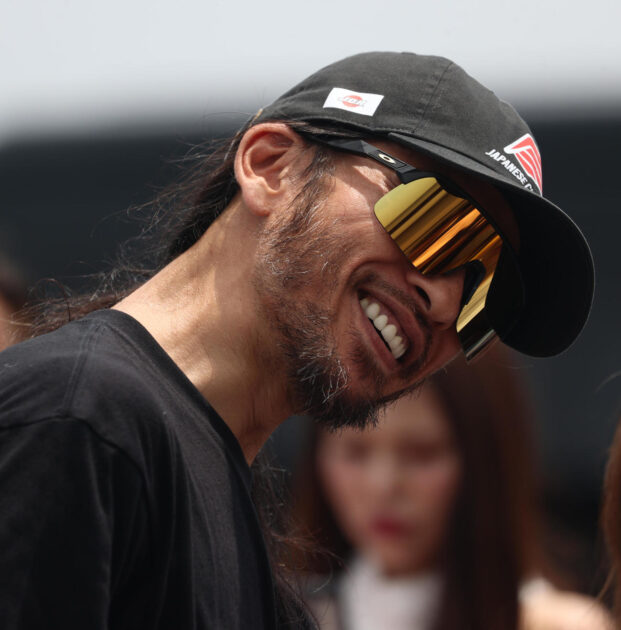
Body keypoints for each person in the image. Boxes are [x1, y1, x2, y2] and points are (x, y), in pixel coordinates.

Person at [0, 52, 594, 629]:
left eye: (487, 294)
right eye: (434, 223)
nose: (444, 301)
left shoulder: (222, 505)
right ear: (271, 166)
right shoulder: (78, 418)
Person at [295, 347, 612, 630]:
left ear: (485, 459)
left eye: (421, 453)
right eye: (355, 452)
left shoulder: (557, 625)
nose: (384, 485)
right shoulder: (292, 615)